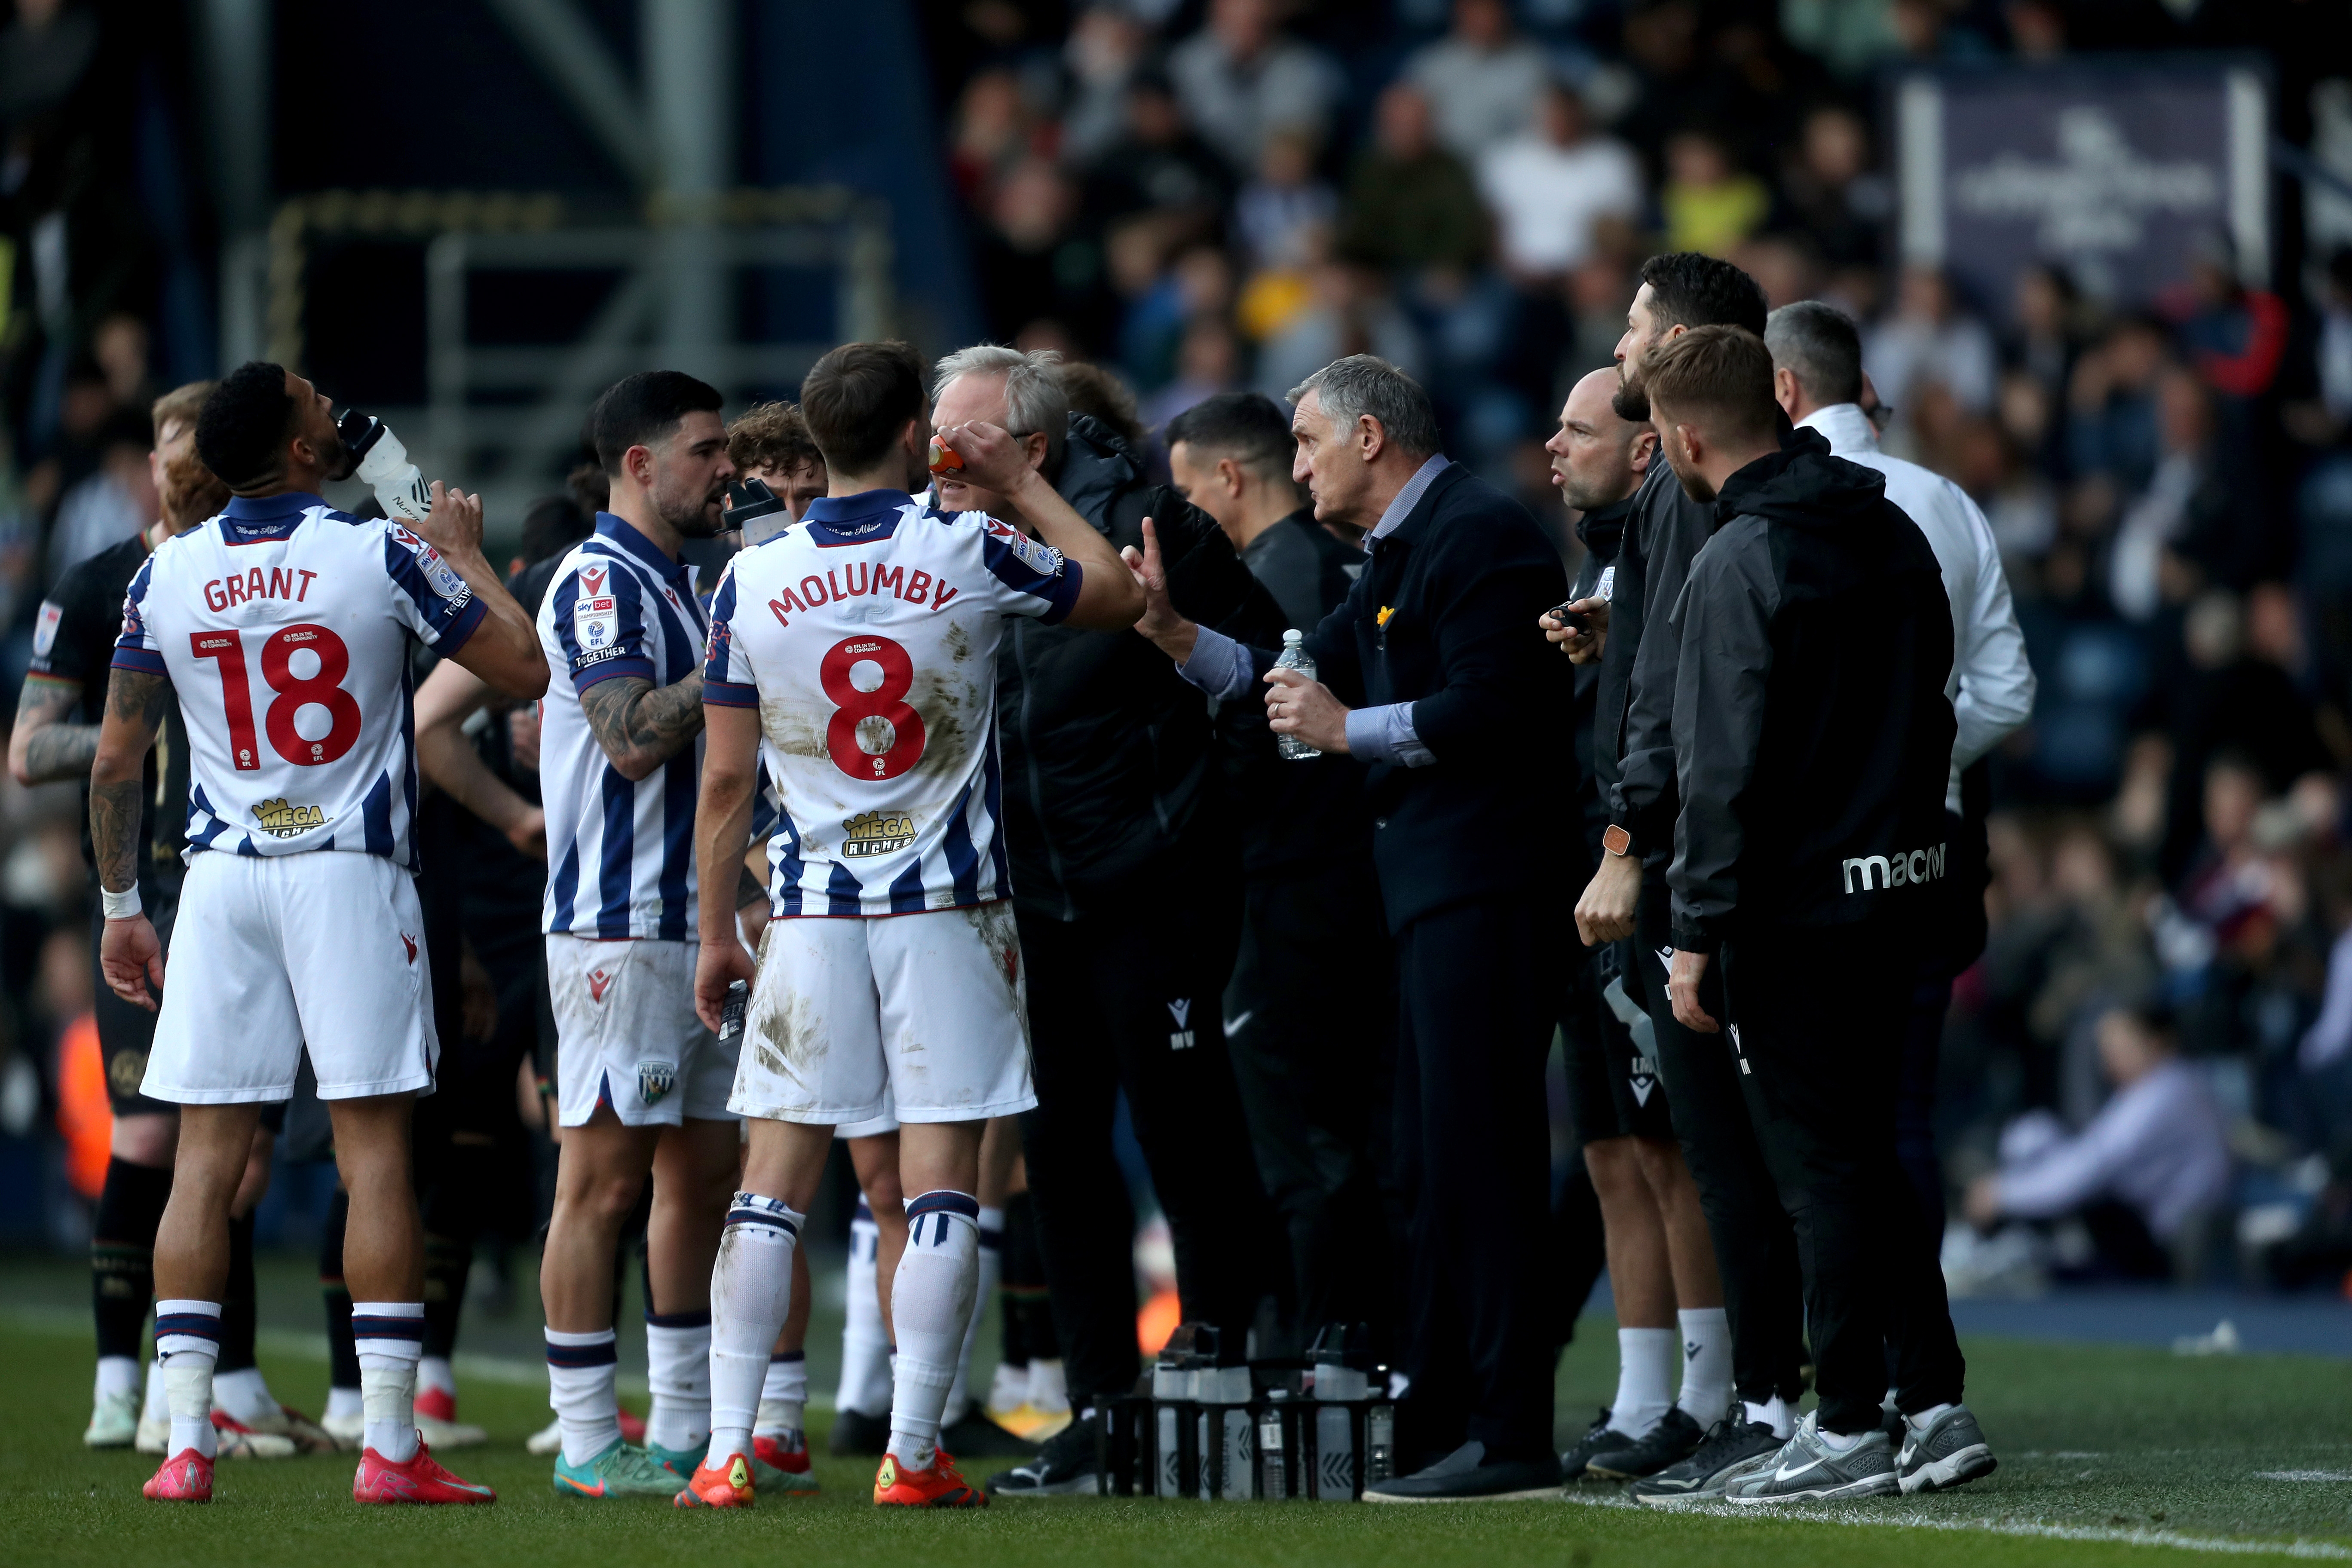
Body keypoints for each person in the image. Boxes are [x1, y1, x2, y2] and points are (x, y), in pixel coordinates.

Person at [680, 340, 1142, 1509]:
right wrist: (1024, 479)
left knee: (771, 1184)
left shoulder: (751, 578)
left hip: (813, 914)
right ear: (913, 438)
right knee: (941, 1187)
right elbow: (1118, 591)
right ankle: (917, 1452)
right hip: (948, 910)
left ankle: (729, 1449)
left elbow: (726, 784)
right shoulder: (972, 544)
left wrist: (715, 933)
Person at [95, 361, 544, 1504]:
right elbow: (526, 665)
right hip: (347, 874)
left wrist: (118, 911)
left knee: (204, 1157)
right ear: (304, 448)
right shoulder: (378, 552)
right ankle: (391, 1446)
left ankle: (186, 1440)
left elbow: (115, 761)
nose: (332, 409)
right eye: (313, 403)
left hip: (222, 881)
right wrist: (464, 550)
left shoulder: (166, 574)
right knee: (375, 1151)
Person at [1129, 355, 1573, 1501]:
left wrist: (1350, 729)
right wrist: (1177, 635)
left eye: (1310, 440)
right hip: (1424, 889)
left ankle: (1512, 1428)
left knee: (1480, 1158)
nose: (1299, 462)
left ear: (1370, 438)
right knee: (1423, 1164)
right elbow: (1285, 669)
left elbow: (1503, 704)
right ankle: (1434, 1414)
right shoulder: (1390, 556)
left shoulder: (1482, 537)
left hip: (1487, 883)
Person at [923, 346, 1284, 1500]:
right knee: (1060, 1156)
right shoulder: (946, 537)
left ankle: (1230, 1365)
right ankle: (1101, 1409)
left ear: (1030, 448)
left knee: (1189, 1135)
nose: (940, 463)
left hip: (1150, 882)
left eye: (961, 443)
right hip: (1028, 897)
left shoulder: (1152, 523)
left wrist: (1205, 838)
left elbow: (1266, 669)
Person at [1640, 323, 1993, 1501]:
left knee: (1823, 1169)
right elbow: (1941, 706)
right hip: (1907, 885)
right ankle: (1933, 1401)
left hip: (1796, 911)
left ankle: (1844, 1420)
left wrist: (1693, 932)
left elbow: (1721, 766)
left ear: (1687, 437)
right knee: (1876, 1156)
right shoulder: (1888, 523)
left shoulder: (1742, 557)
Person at [12, 380, 325, 1460]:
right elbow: (27, 748)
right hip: (147, 888)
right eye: (168, 437)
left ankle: (225, 1381)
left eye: (200, 435)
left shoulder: (271, 572)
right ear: (151, 459)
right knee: (151, 1134)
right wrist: (135, 719)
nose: (183, 456)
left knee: (237, 1156)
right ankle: (122, 1383)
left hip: (260, 879)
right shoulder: (107, 585)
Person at [1567, 253, 1807, 1506]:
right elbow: (1666, 663)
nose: (1620, 338)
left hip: (1698, 863)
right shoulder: (1701, 492)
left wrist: (1626, 844)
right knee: (1713, 1145)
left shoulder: (1707, 487)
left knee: (1732, 1147)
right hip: (1700, 850)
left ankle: (1770, 1398)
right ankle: (1744, 1395)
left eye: (1635, 324)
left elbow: (1687, 694)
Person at [532, 371, 761, 1500]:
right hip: (617, 928)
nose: (728, 469)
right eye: (708, 451)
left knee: (705, 1173)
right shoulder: (598, 581)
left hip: (694, 920)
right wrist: (735, 664)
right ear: (640, 464)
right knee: (604, 1183)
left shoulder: (683, 581)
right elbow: (627, 739)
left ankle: (678, 1427)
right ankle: (583, 1441)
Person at [1766, 298, 2037, 1237]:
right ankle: (1917, 1379)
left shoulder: (1767, 512)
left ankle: (1845, 1372)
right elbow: (2007, 695)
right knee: (1903, 1116)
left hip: (1811, 858)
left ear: (1783, 388)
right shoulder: (1946, 500)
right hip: (1934, 840)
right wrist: (1914, 758)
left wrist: (1865, 765)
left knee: (1821, 1129)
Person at [1162, 392, 1393, 1351]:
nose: (1177, 521)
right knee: (1346, 1130)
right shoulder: (1348, 561)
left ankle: (1316, 1354)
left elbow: (1274, 745)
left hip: (1290, 885)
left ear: (1226, 476)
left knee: (1301, 1141)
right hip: (1355, 880)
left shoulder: (1278, 578)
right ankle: (1354, 1344)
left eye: (1183, 495)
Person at [1536, 369, 1730, 1484]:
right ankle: (1642, 1393)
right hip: (1587, 891)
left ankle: (1707, 1394)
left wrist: (1625, 852)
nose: (1553, 447)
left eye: (1577, 428)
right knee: (1612, 1153)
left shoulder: (1669, 550)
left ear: (1646, 449)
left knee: (1669, 1152)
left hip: (1642, 883)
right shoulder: (1603, 562)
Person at [1966, 1003, 2230, 1278]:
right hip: (2164, 1235)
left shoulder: (2164, 1092)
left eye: (2119, 1050)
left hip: (2166, 1248)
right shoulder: (2176, 1084)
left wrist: (2002, 1194)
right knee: (2034, 1134)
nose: (2109, 1064)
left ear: (2156, 1042)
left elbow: (2091, 1166)